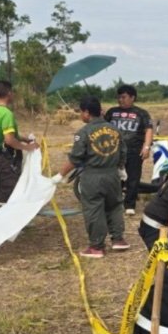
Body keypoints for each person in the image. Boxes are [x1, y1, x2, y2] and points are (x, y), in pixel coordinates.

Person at [53, 96, 129, 258]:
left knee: (94, 209)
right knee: (115, 206)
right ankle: (118, 239)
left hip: (93, 175)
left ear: (87, 112)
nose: (81, 115)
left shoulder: (83, 132)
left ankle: (96, 246)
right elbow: (123, 151)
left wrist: (60, 175)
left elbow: (75, 158)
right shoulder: (115, 129)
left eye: (81, 112)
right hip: (113, 175)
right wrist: (121, 168)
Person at [0, 81, 39, 206]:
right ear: (9, 93)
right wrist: (27, 147)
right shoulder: (6, 114)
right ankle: (4, 212)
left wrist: (24, 139)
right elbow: (9, 140)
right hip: (5, 157)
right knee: (9, 187)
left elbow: (0, 133)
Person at [104, 85, 154, 216]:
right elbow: (102, 126)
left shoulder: (141, 113)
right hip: (114, 151)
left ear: (132, 97)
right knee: (114, 177)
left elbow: (148, 130)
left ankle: (130, 205)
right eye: (119, 97)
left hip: (134, 151)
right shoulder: (112, 112)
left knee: (133, 178)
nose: (120, 100)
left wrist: (146, 147)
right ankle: (114, 203)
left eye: (124, 97)